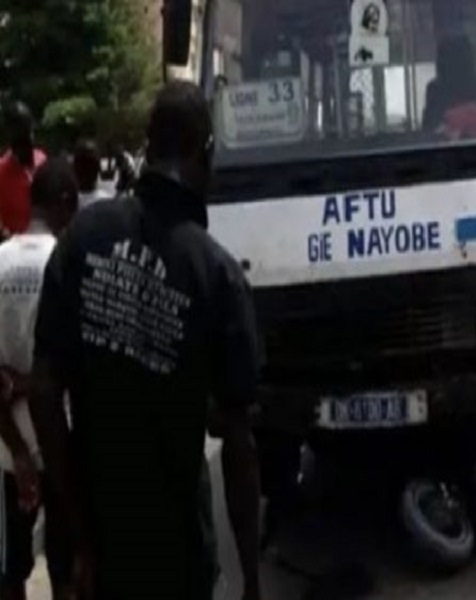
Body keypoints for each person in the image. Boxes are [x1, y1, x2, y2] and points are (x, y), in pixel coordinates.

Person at [28, 81, 262, 600]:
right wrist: (252, 577)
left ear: (148, 147)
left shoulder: (83, 238)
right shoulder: (217, 274)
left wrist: (77, 527)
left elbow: (44, 391)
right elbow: (240, 442)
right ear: (207, 157)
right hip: (178, 555)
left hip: (101, 544)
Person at [0, 159, 78, 600]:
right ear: (66, 205)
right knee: (67, 568)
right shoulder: (66, 262)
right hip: (61, 446)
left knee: (11, 573)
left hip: (8, 458)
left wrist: (18, 453)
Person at [0, 103, 47, 239]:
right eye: (20, 140)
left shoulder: (43, 161)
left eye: (29, 134)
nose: (27, 144)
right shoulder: (2, 172)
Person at [72, 139, 114, 210]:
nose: (85, 168)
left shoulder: (66, 206)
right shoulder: (109, 203)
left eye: (90, 163)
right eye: (81, 163)